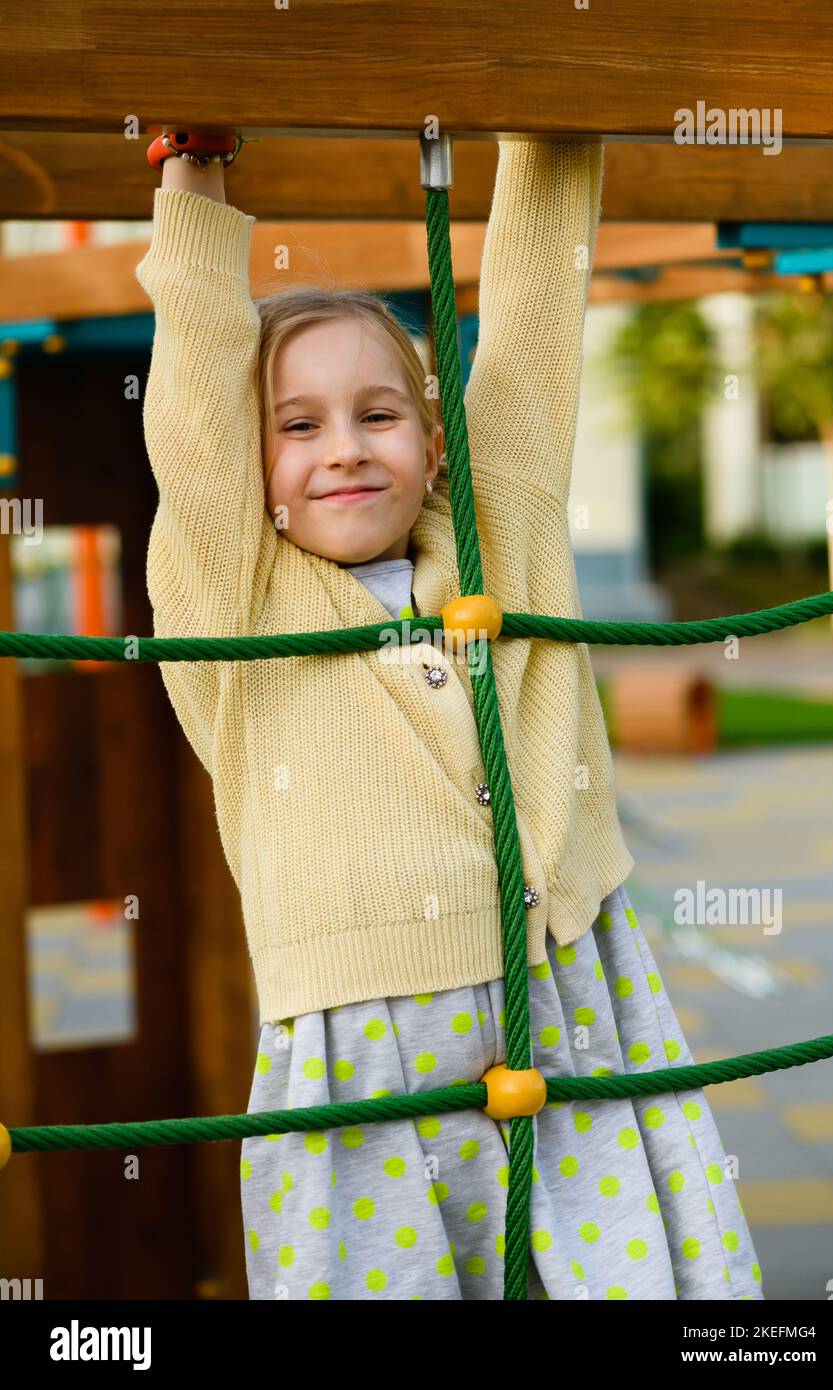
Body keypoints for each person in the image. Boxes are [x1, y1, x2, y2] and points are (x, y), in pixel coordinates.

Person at [135, 132, 764, 1301]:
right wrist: (194, 175)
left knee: (650, 1288)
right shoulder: (231, 593)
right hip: (360, 1049)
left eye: (379, 413)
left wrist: (549, 125)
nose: (343, 449)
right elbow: (192, 407)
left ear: (433, 444)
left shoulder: (496, 535)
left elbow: (530, 321)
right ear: (253, 463)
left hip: (568, 999)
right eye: (298, 425)